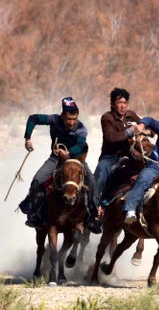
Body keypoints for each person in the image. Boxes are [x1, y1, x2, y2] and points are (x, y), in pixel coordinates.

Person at [19, 97, 101, 233]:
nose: (72, 122)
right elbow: (33, 118)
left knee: (92, 181)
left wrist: (68, 153)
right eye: (69, 119)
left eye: (74, 119)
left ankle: (93, 218)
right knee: (38, 179)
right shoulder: (54, 120)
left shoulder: (81, 128)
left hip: (76, 160)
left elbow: (81, 144)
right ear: (63, 116)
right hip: (56, 159)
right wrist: (28, 138)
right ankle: (35, 215)